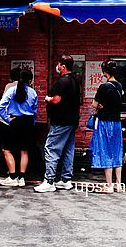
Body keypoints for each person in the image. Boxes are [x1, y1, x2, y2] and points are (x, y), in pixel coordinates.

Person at [35, 55, 81, 193]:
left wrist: (48, 99)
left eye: (59, 64)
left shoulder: (62, 82)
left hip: (60, 121)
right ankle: (66, 180)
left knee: (51, 148)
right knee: (68, 149)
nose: (57, 67)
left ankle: (49, 180)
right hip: (72, 120)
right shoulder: (75, 80)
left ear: (63, 66)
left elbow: (56, 100)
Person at [89, 60, 125, 193]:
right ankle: (119, 185)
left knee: (106, 151)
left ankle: (109, 185)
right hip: (117, 122)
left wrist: (100, 106)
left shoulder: (104, 87)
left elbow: (94, 104)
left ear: (105, 72)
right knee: (117, 152)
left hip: (104, 122)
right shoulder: (119, 86)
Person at [0, 69, 37, 187]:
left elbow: (1, 106)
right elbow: (35, 111)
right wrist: (32, 123)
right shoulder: (33, 92)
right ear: (30, 80)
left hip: (15, 121)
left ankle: (13, 176)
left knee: (7, 149)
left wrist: (7, 119)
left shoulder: (12, 90)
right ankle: (22, 178)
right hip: (28, 122)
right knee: (24, 151)